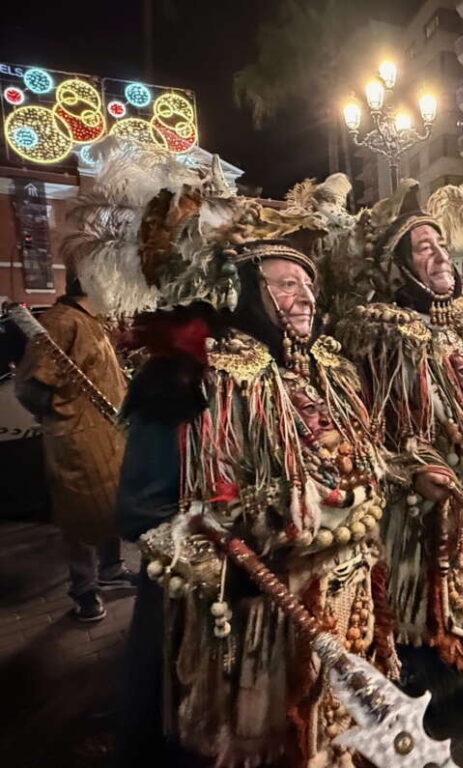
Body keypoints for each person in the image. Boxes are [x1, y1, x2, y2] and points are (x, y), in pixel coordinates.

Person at [67, 147, 398, 767]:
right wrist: (229, 557)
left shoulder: (329, 370)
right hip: (245, 628)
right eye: (283, 283)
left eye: (307, 283)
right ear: (246, 292)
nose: (302, 295)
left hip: (334, 607)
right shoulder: (188, 378)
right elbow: (143, 512)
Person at [328, 180, 463, 698]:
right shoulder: (377, 332)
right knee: (420, 587)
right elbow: (366, 427)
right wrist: (409, 466)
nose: (440, 256)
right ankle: (424, 674)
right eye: (424, 248)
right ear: (399, 265)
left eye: (441, 246)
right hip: (416, 499)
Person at [15, 279, 134, 622]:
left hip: (110, 433)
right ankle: (84, 588)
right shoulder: (61, 321)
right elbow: (29, 386)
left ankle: (112, 569)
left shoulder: (94, 318)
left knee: (111, 504)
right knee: (79, 512)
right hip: (77, 439)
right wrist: (64, 416)